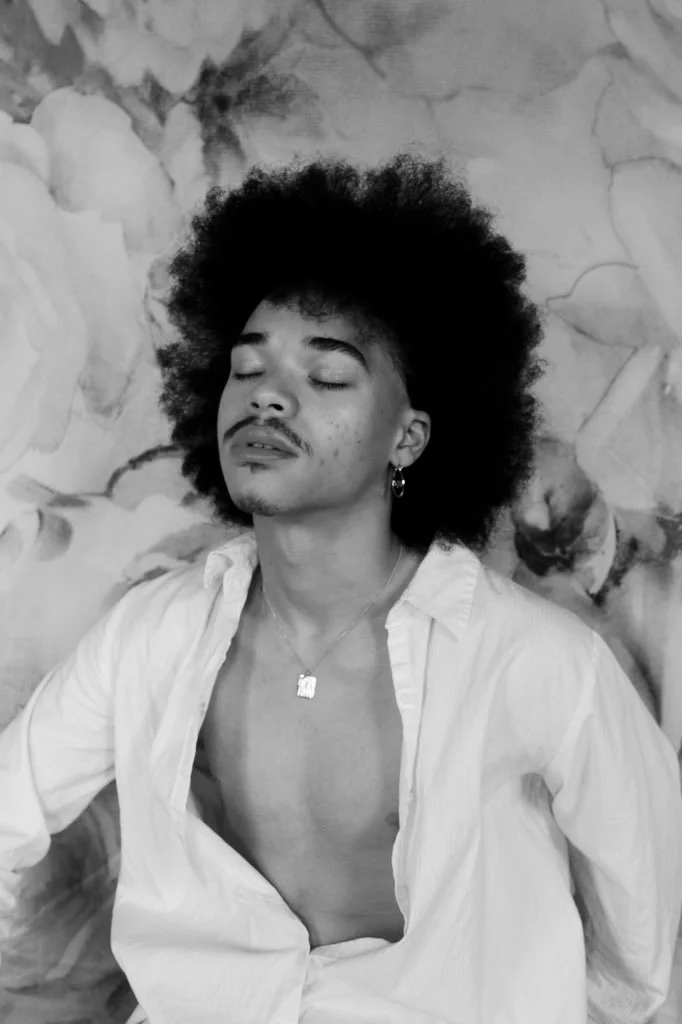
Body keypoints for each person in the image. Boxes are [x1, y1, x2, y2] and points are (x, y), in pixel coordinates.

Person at [1, 155, 681, 1024]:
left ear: (409, 438)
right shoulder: (153, 636)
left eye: (324, 378)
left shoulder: (536, 662)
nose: (267, 402)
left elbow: (643, 924)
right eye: (246, 371)